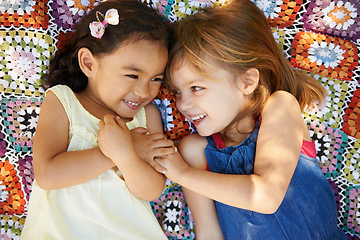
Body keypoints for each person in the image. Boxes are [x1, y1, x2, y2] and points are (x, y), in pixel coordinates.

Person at [155, 0, 347, 239]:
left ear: (247, 82)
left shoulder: (280, 107)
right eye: (177, 92)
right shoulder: (194, 151)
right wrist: (183, 170)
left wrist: (182, 174)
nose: (182, 104)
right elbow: (209, 234)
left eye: (197, 87)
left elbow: (266, 196)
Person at [21, 0, 174, 239]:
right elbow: (48, 175)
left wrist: (127, 157)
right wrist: (118, 150)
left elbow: (152, 190)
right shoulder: (64, 102)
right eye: (132, 75)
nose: (145, 92)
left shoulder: (146, 116)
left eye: (156, 79)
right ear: (89, 63)